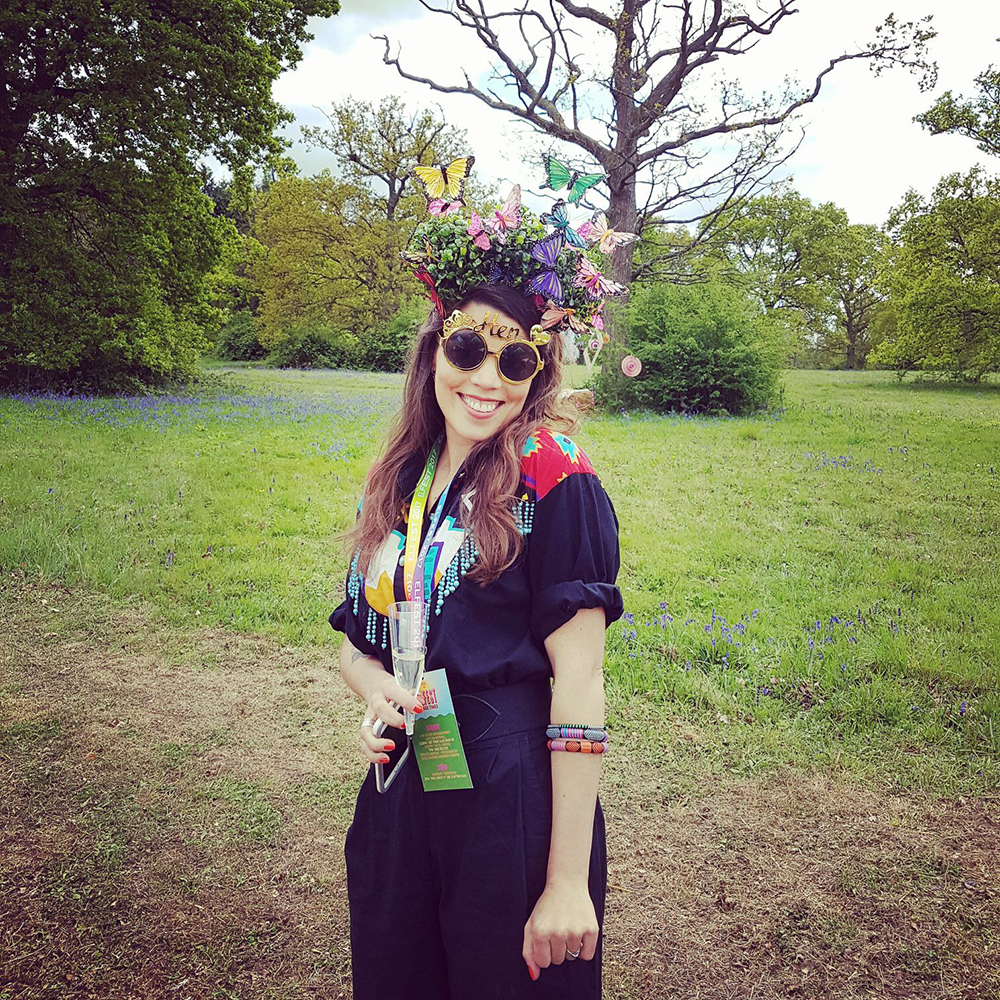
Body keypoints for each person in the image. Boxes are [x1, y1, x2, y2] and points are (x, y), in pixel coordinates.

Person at [330, 284, 623, 995]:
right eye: (467, 350)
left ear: (538, 372)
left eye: (514, 361)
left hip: (507, 791)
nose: (488, 379)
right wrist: (379, 693)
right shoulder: (401, 476)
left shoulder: (553, 471)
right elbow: (356, 645)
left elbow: (581, 679)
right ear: (434, 352)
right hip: (403, 781)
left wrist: (565, 882)